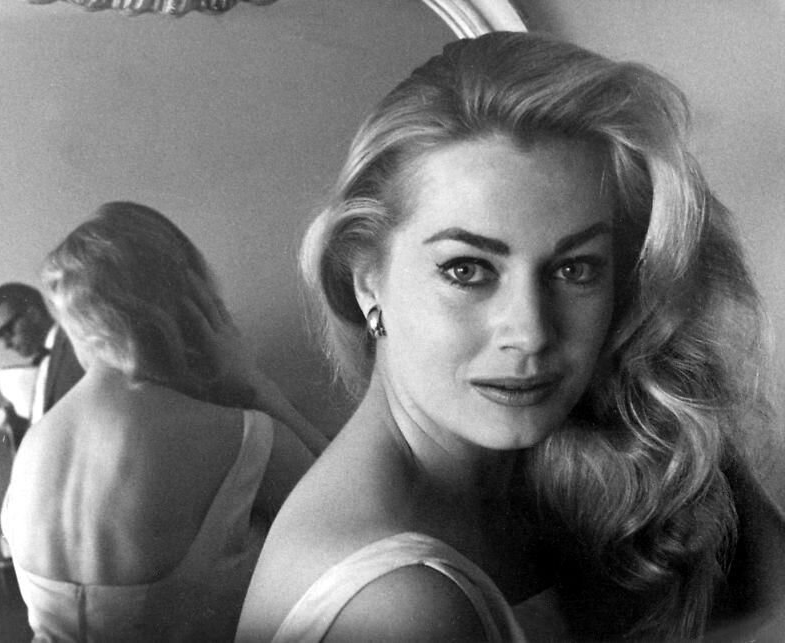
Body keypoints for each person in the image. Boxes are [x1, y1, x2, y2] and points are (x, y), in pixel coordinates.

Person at [236, 32, 785, 642]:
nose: (530, 332)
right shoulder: (396, 606)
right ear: (367, 280)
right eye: (466, 270)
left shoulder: (565, 476)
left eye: (575, 269)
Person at [1, 201, 328, 641]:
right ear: (188, 302)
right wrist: (256, 385)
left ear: (76, 322)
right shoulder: (241, 436)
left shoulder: (34, 444)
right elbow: (360, 522)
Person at [0, 282, 84, 447]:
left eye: (9, 331)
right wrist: (13, 422)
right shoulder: (43, 362)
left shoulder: (76, 348)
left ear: (33, 315)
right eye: (1, 336)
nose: (7, 344)